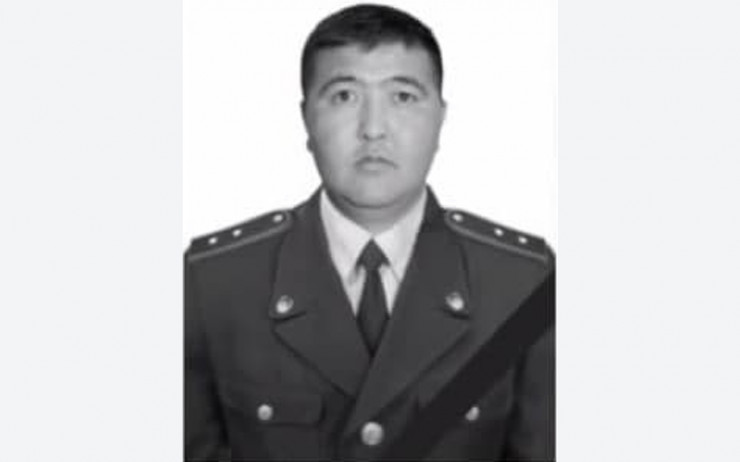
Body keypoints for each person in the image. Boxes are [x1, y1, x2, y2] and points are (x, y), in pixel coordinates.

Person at [185, 4, 554, 461]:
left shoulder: (522, 285)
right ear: (306, 118)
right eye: (344, 96)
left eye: (403, 97)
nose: (374, 129)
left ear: (440, 118)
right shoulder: (213, 284)